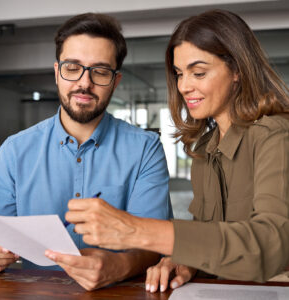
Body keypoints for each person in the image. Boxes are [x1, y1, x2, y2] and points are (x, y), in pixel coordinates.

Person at [63, 9, 289, 293]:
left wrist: (135, 230)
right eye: (179, 73)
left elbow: (270, 246)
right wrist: (186, 261)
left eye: (199, 72)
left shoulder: (277, 136)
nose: (183, 86)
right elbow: (213, 238)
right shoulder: (205, 150)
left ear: (237, 70)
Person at [0, 13, 172, 291]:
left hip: (120, 294)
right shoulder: (14, 152)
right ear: (56, 71)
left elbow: (154, 244)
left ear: (116, 80)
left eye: (99, 71)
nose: (84, 83)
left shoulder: (145, 149)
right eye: (73, 67)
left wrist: (119, 266)